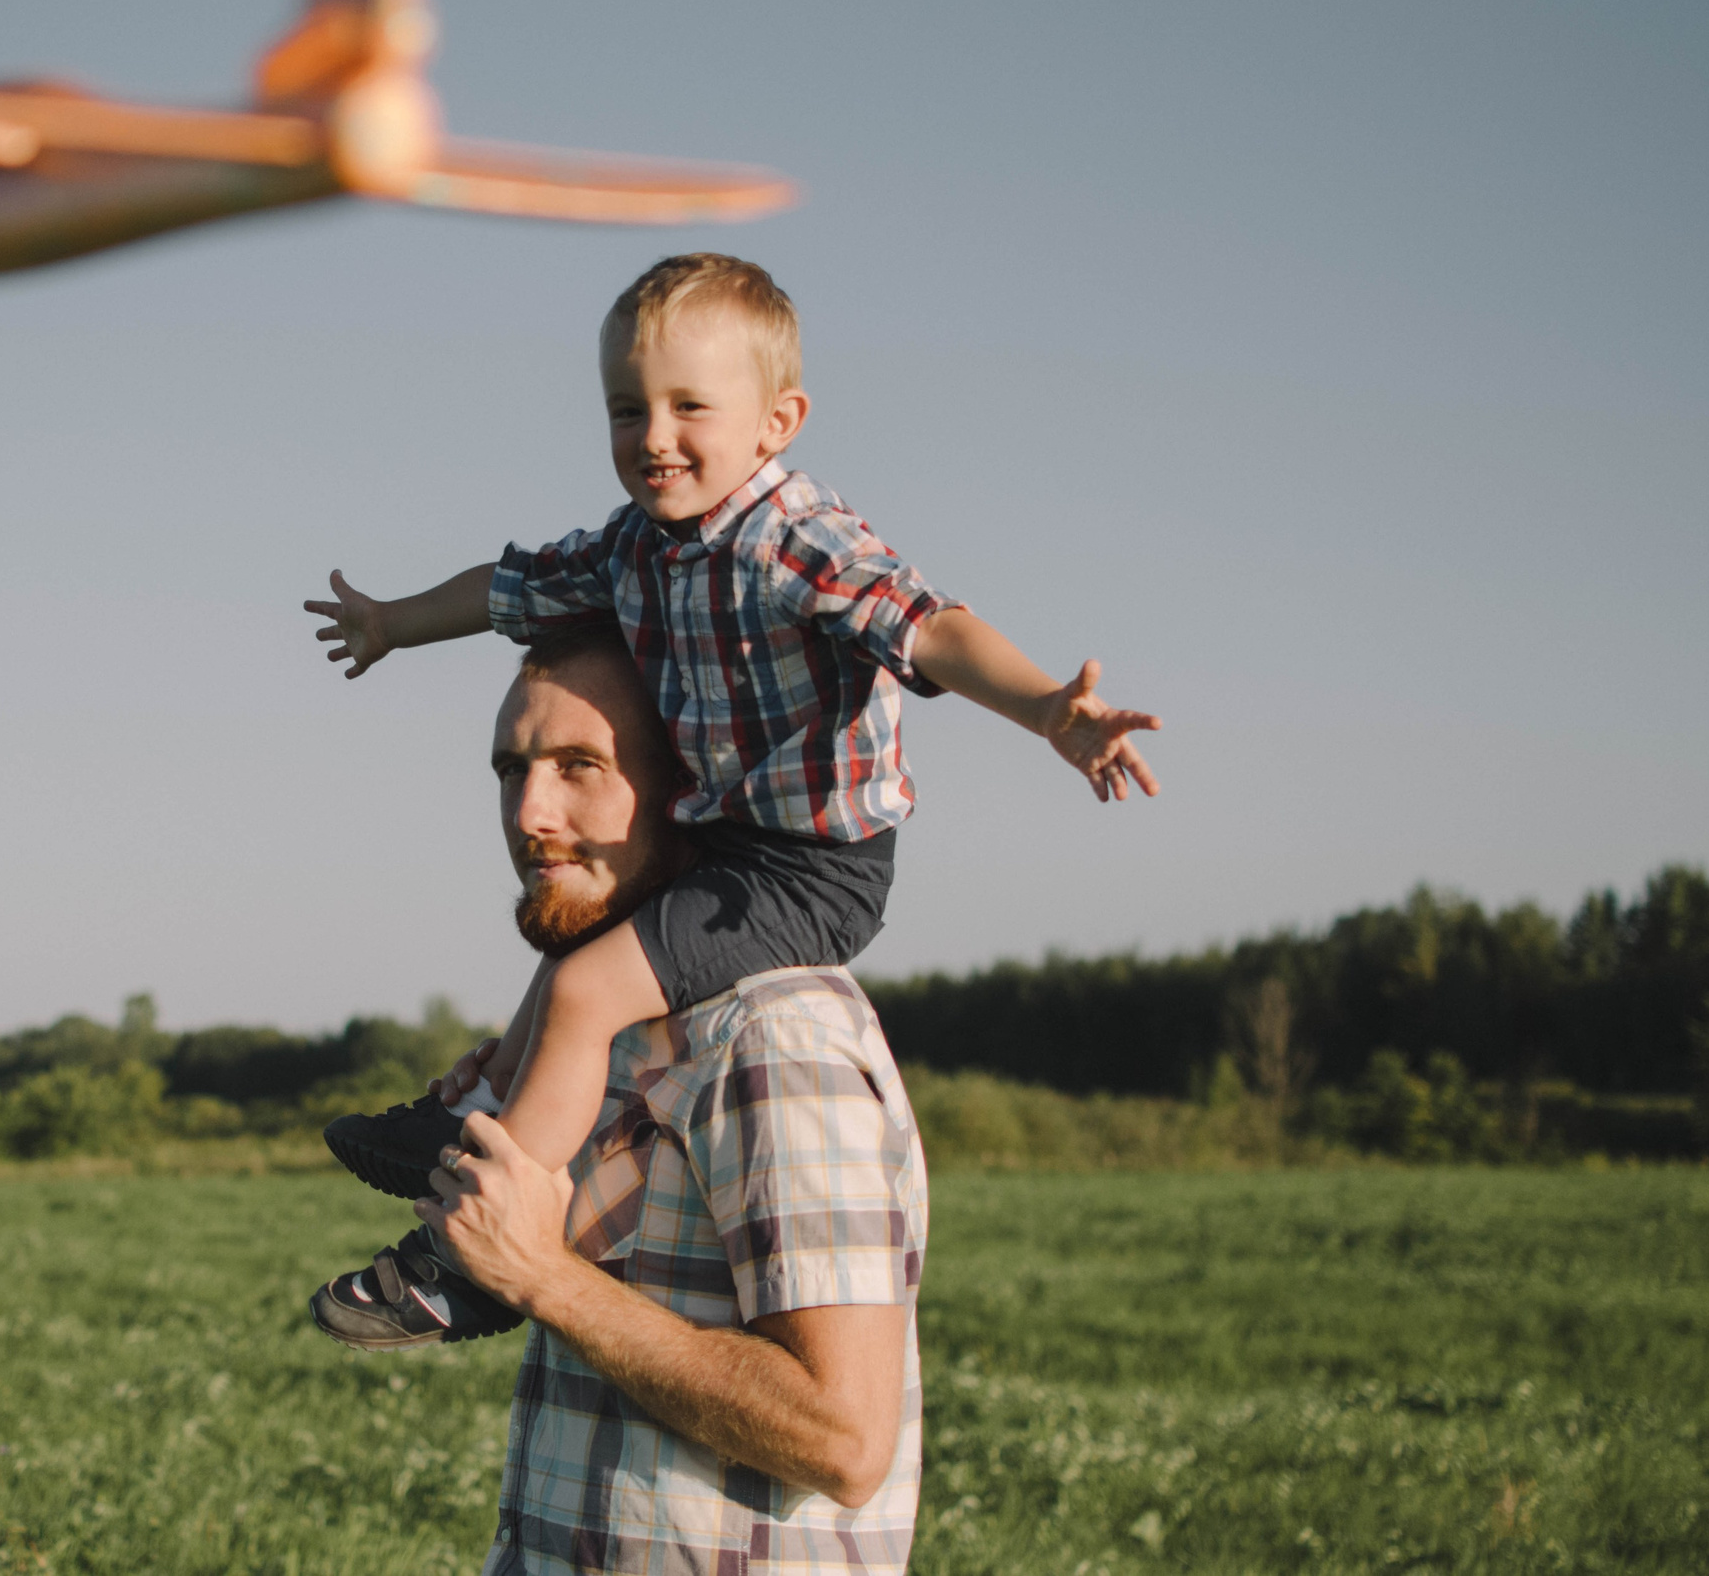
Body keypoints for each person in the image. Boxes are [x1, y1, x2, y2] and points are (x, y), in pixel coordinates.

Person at [305, 252, 1159, 1307]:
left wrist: (1043, 712)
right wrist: (392, 622)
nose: (653, 437)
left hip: (811, 868)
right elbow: (507, 589)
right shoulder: (632, 548)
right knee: (574, 951)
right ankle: (470, 1116)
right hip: (724, 839)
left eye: (687, 407)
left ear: (776, 421)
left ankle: (481, 1256)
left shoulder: (795, 541)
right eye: (627, 409)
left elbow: (931, 628)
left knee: (583, 990)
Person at [318, 626, 930, 1573]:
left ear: (690, 790)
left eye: (579, 766)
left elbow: (843, 1438)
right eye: (511, 769)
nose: (530, 811)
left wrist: (545, 1280)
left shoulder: (772, 1037)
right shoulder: (627, 1029)